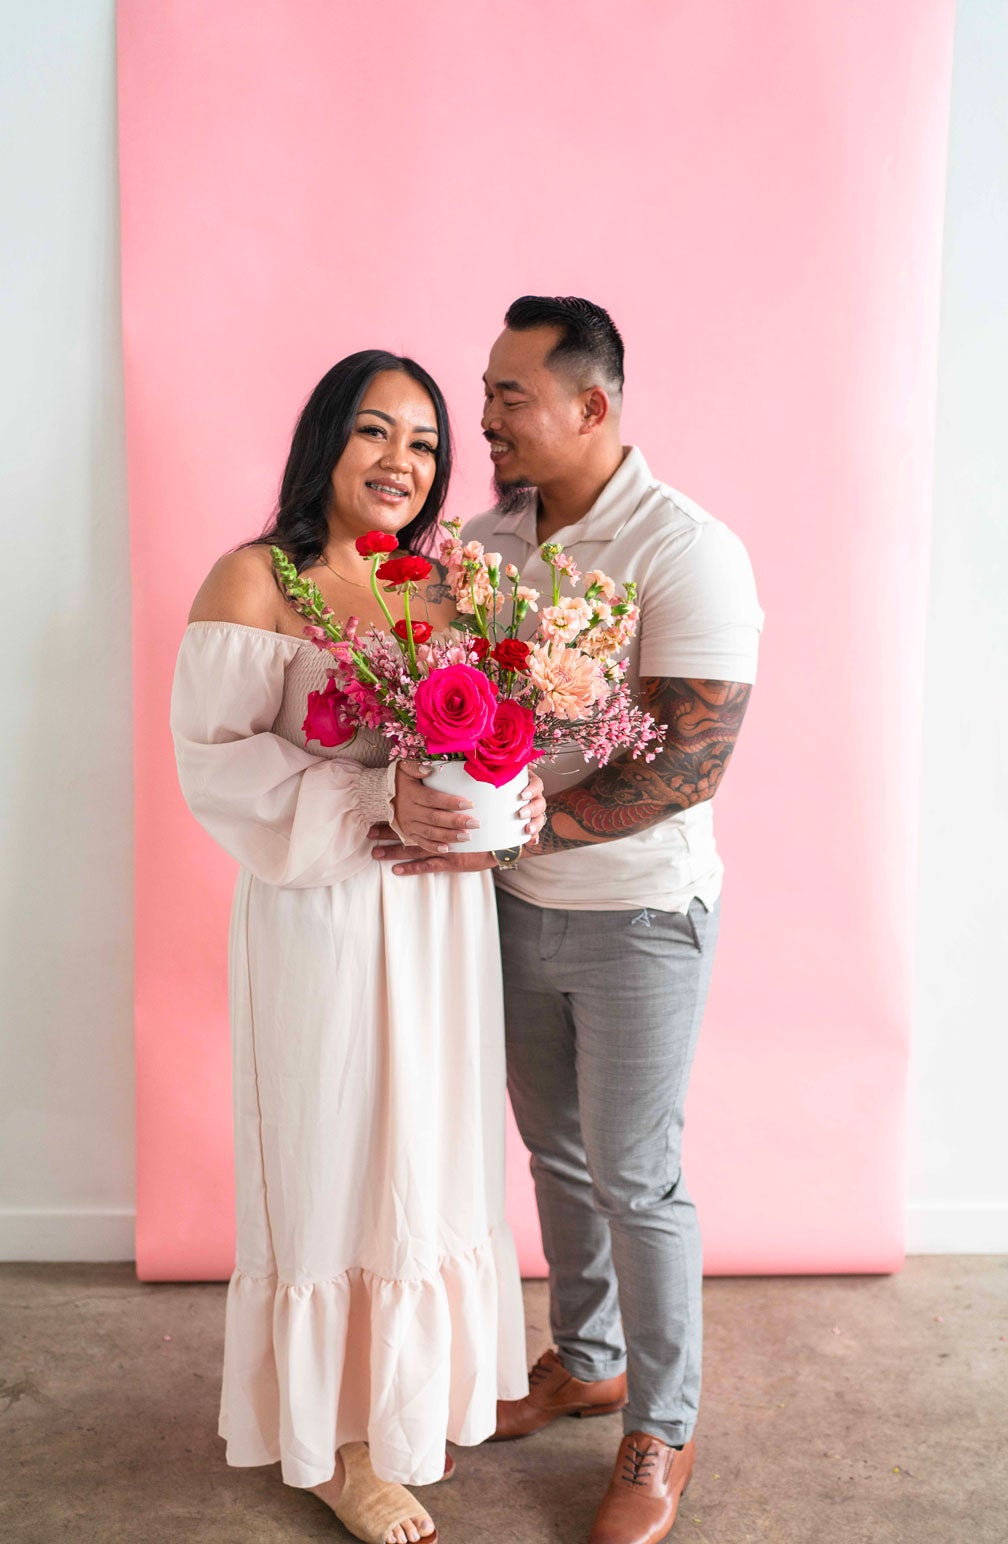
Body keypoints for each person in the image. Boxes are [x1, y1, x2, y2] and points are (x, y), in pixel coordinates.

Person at [377, 297, 760, 1544]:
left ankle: (661, 1422)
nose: (478, 418)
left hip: (639, 914)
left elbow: (689, 758)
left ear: (591, 407)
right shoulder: (487, 543)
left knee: (635, 1175)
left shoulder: (685, 547)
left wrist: (521, 826)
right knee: (550, 1151)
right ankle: (583, 1357)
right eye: (482, 393)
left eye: (505, 397)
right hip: (506, 910)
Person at [172, 350, 541, 1544]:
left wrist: (508, 806)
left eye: (425, 443)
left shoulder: (448, 587)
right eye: (376, 432)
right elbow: (214, 763)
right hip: (322, 910)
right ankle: (332, 1447)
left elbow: (498, 746)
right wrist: (370, 801)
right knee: (329, 1153)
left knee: (423, 1154)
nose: (401, 461)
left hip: (438, 920)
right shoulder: (255, 579)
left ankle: (401, 1408)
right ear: (325, 441)